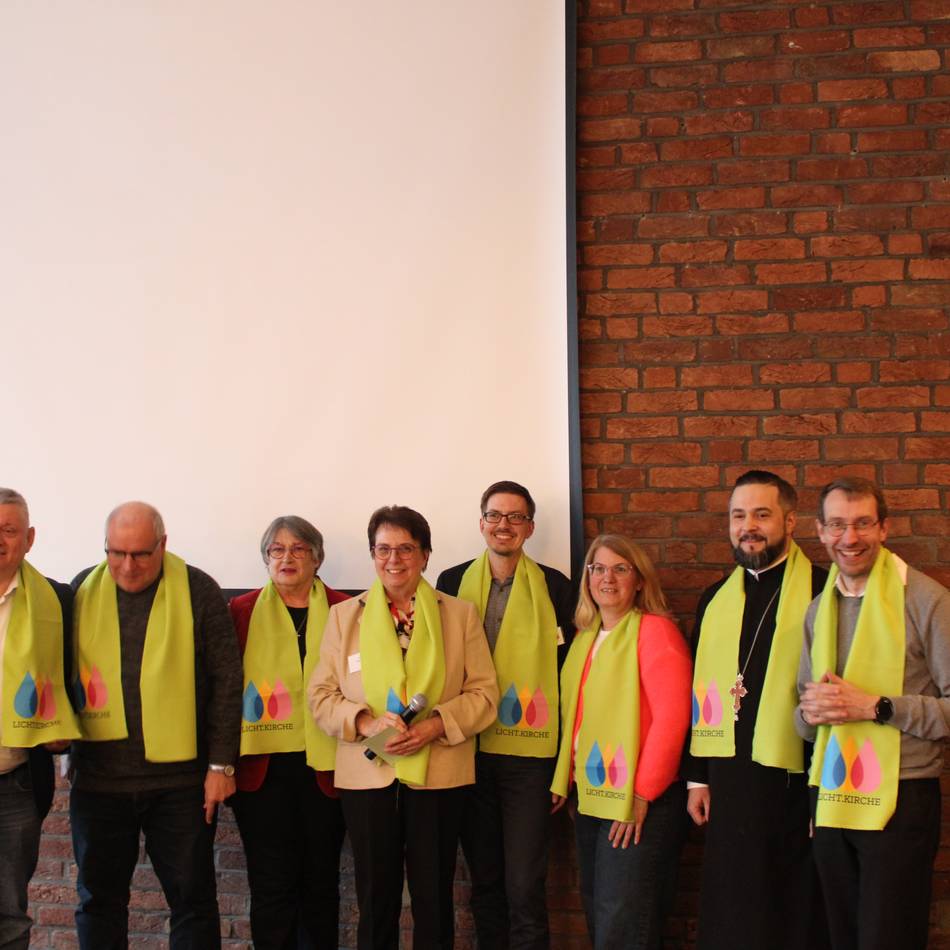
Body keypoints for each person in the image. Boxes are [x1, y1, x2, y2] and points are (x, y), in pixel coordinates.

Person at [309, 505, 498, 950]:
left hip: (439, 773)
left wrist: (436, 724)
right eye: (383, 549)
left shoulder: (459, 615)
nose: (394, 559)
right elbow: (320, 698)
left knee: (434, 897)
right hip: (367, 773)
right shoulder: (343, 618)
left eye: (406, 549)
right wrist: (366, 720)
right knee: (375, 898)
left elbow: (485, 695)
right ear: (372, 555)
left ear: (426, 555)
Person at [69, 501, 242, 949]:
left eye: (141, 554)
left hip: (181, 785)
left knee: (192, 902)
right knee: (98, 903)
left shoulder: (199, 590)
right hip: (98, 784)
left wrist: (221, 765)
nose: (127, 566)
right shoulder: (81, 590)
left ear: (163, 545)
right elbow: (62, 673)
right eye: (116, 553)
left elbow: (226, 679)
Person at [797, 476, 950, 950]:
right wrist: (812, 714)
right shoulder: (818, 610)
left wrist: (877, 707)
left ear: (884, 529)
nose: (850, 538)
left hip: (901, 800)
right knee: (841, 937)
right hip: (832, 795)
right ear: (820, 531)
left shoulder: (928, 601)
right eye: (838, 525)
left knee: (889, 938)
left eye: (863, 524)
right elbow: (802, 723)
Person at [683, 470, 829, 950]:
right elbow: (696, 693)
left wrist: (823, 793)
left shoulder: (823, 592)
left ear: (790, 521)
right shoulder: (714, 598)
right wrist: (697, 777)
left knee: (793, 904)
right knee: (734, 902)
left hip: (796, 780)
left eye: (762, 515)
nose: (749, 526)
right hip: (728, 779)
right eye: (738, 516)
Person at [436, 480, 574, 950]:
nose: (504, 525)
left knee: (524, 885)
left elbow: (567, 676)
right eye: (495, 515)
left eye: (516, 517)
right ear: (481, 523)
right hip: (466, 752)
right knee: (486, 882)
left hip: (529, 759)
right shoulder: (450, 584)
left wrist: (562, 766)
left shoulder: (557, 587)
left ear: (529, 527)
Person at [550, 534, 691, 950]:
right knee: (600, 912)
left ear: (640, 581)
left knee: (623, 922)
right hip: (593, 797)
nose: (605, 578)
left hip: (640, 800)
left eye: (619, 569)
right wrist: (566, 779)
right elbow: (575, 718)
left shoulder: (656, 632)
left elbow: (672, 718)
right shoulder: (584, 638)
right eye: (597, 568)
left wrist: (641, 795)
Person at [228, 515, 349, 949]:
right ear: (265, 559)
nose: (287, 557)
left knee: (321, 885)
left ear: (318, 559)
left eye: (299, 549)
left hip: (328, 769)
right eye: (277, 550)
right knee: (271, 886)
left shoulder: (347, 609)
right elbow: (224, 692)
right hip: (262, 773)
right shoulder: (239, 612)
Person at [0, 488, 79, 949]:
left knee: (10, 914)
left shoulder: (59, 599)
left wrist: (62, 737)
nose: (0, 539)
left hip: (15, 781)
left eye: (8, 530)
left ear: (29, 538)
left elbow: (73, 678)